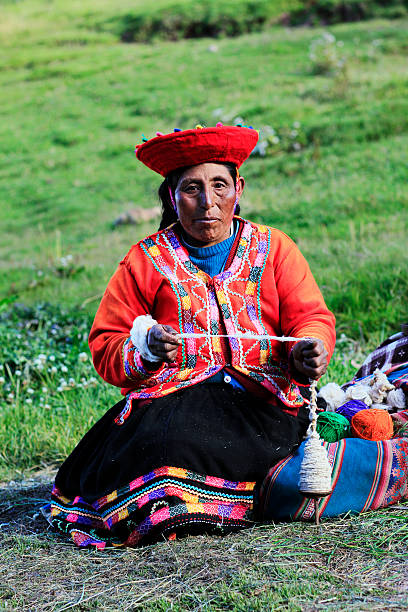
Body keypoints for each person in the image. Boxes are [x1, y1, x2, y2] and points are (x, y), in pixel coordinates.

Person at [50, 124, 336, 549]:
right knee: (164, 441)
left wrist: (308, 351)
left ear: (238, 188)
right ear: (170, 195)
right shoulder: (144, 261)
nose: (208, 202)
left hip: (265, 403)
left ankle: (223, 500)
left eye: (219, 185)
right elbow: (107, 344)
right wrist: (145, 351)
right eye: (192, 189)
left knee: (266, 444)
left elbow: (311, 319)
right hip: (175, 404)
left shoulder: (275, 249)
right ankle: (203, 505)